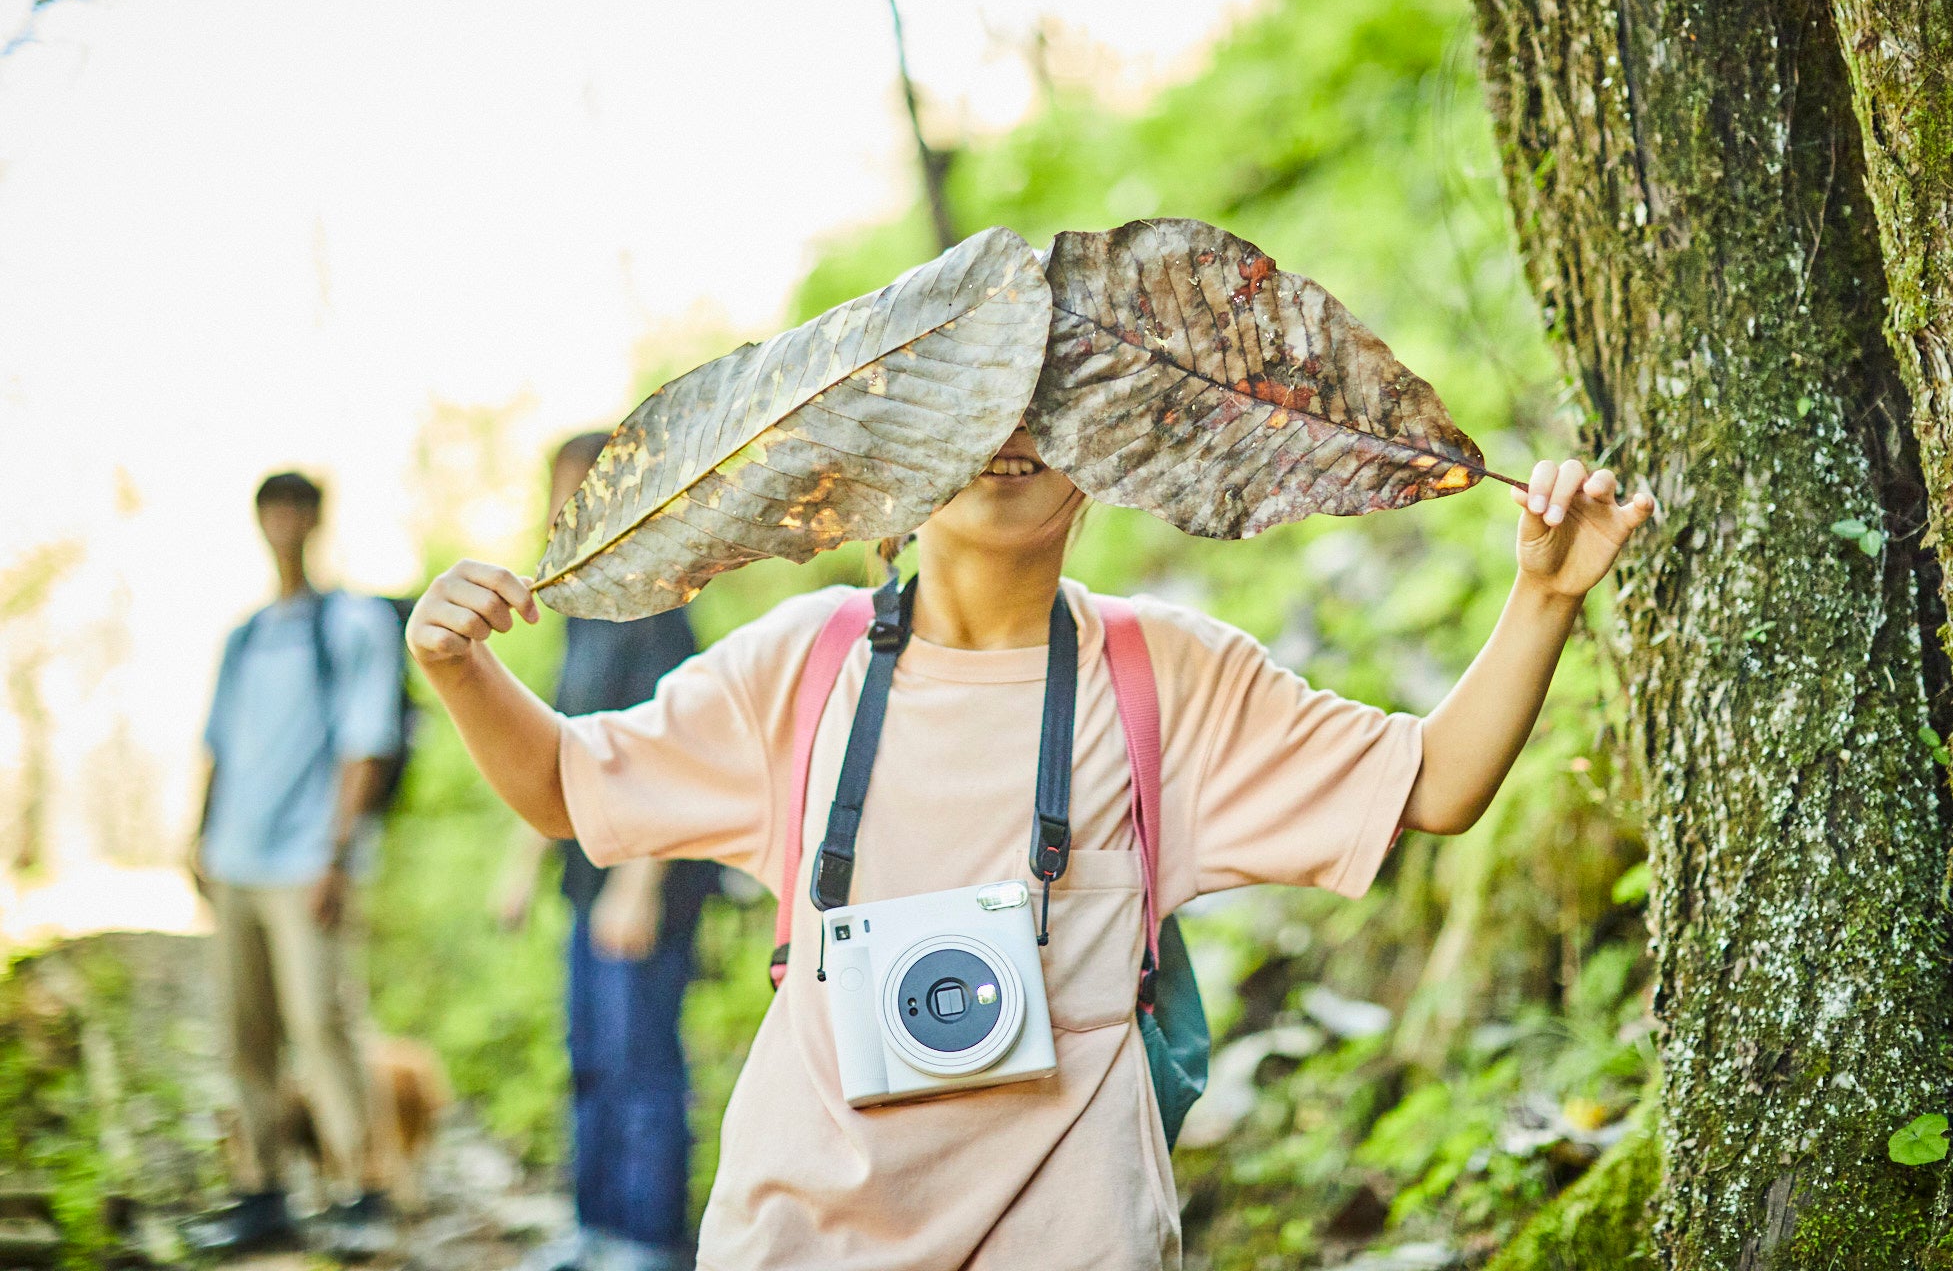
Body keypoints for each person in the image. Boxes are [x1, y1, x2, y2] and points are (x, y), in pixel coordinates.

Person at [406, 426, 1654, 1271]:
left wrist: (1545, 593)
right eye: (972, 402)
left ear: (1099, 458)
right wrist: (458, 665)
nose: (1009, 430)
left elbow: (1429, 783)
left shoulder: (1167, 673)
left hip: (1078, 1233)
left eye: (1048, 404)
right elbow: (569, 785)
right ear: (899, 463)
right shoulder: (806, 663)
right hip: (808, 1230)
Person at [493, 433, 717, 1271]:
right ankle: (593, 1228)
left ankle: (648, 1238)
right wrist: (522, 868)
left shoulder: (659, 606)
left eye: (577, 490)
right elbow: (557, 750)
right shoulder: (584, 613)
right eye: (556, 493)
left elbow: (680, 749)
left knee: (641, 1061)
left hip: (646, 879)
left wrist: (639, 885)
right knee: (590, 1056)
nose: (562, 511)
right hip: (586, 876)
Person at [186, 471, 405, 1258]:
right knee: (245, 1032)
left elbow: (367, 745)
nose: (282, 522)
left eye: (295, 508)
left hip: (306, 861)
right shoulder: (245, 635)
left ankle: (362, 1187)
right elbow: (215, 747)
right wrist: (197, 839)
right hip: (234, 860)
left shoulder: (350, 624)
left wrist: (338, 855)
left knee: (321, 1022)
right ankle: (262, 1189)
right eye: (270, 509)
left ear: (315, 520)